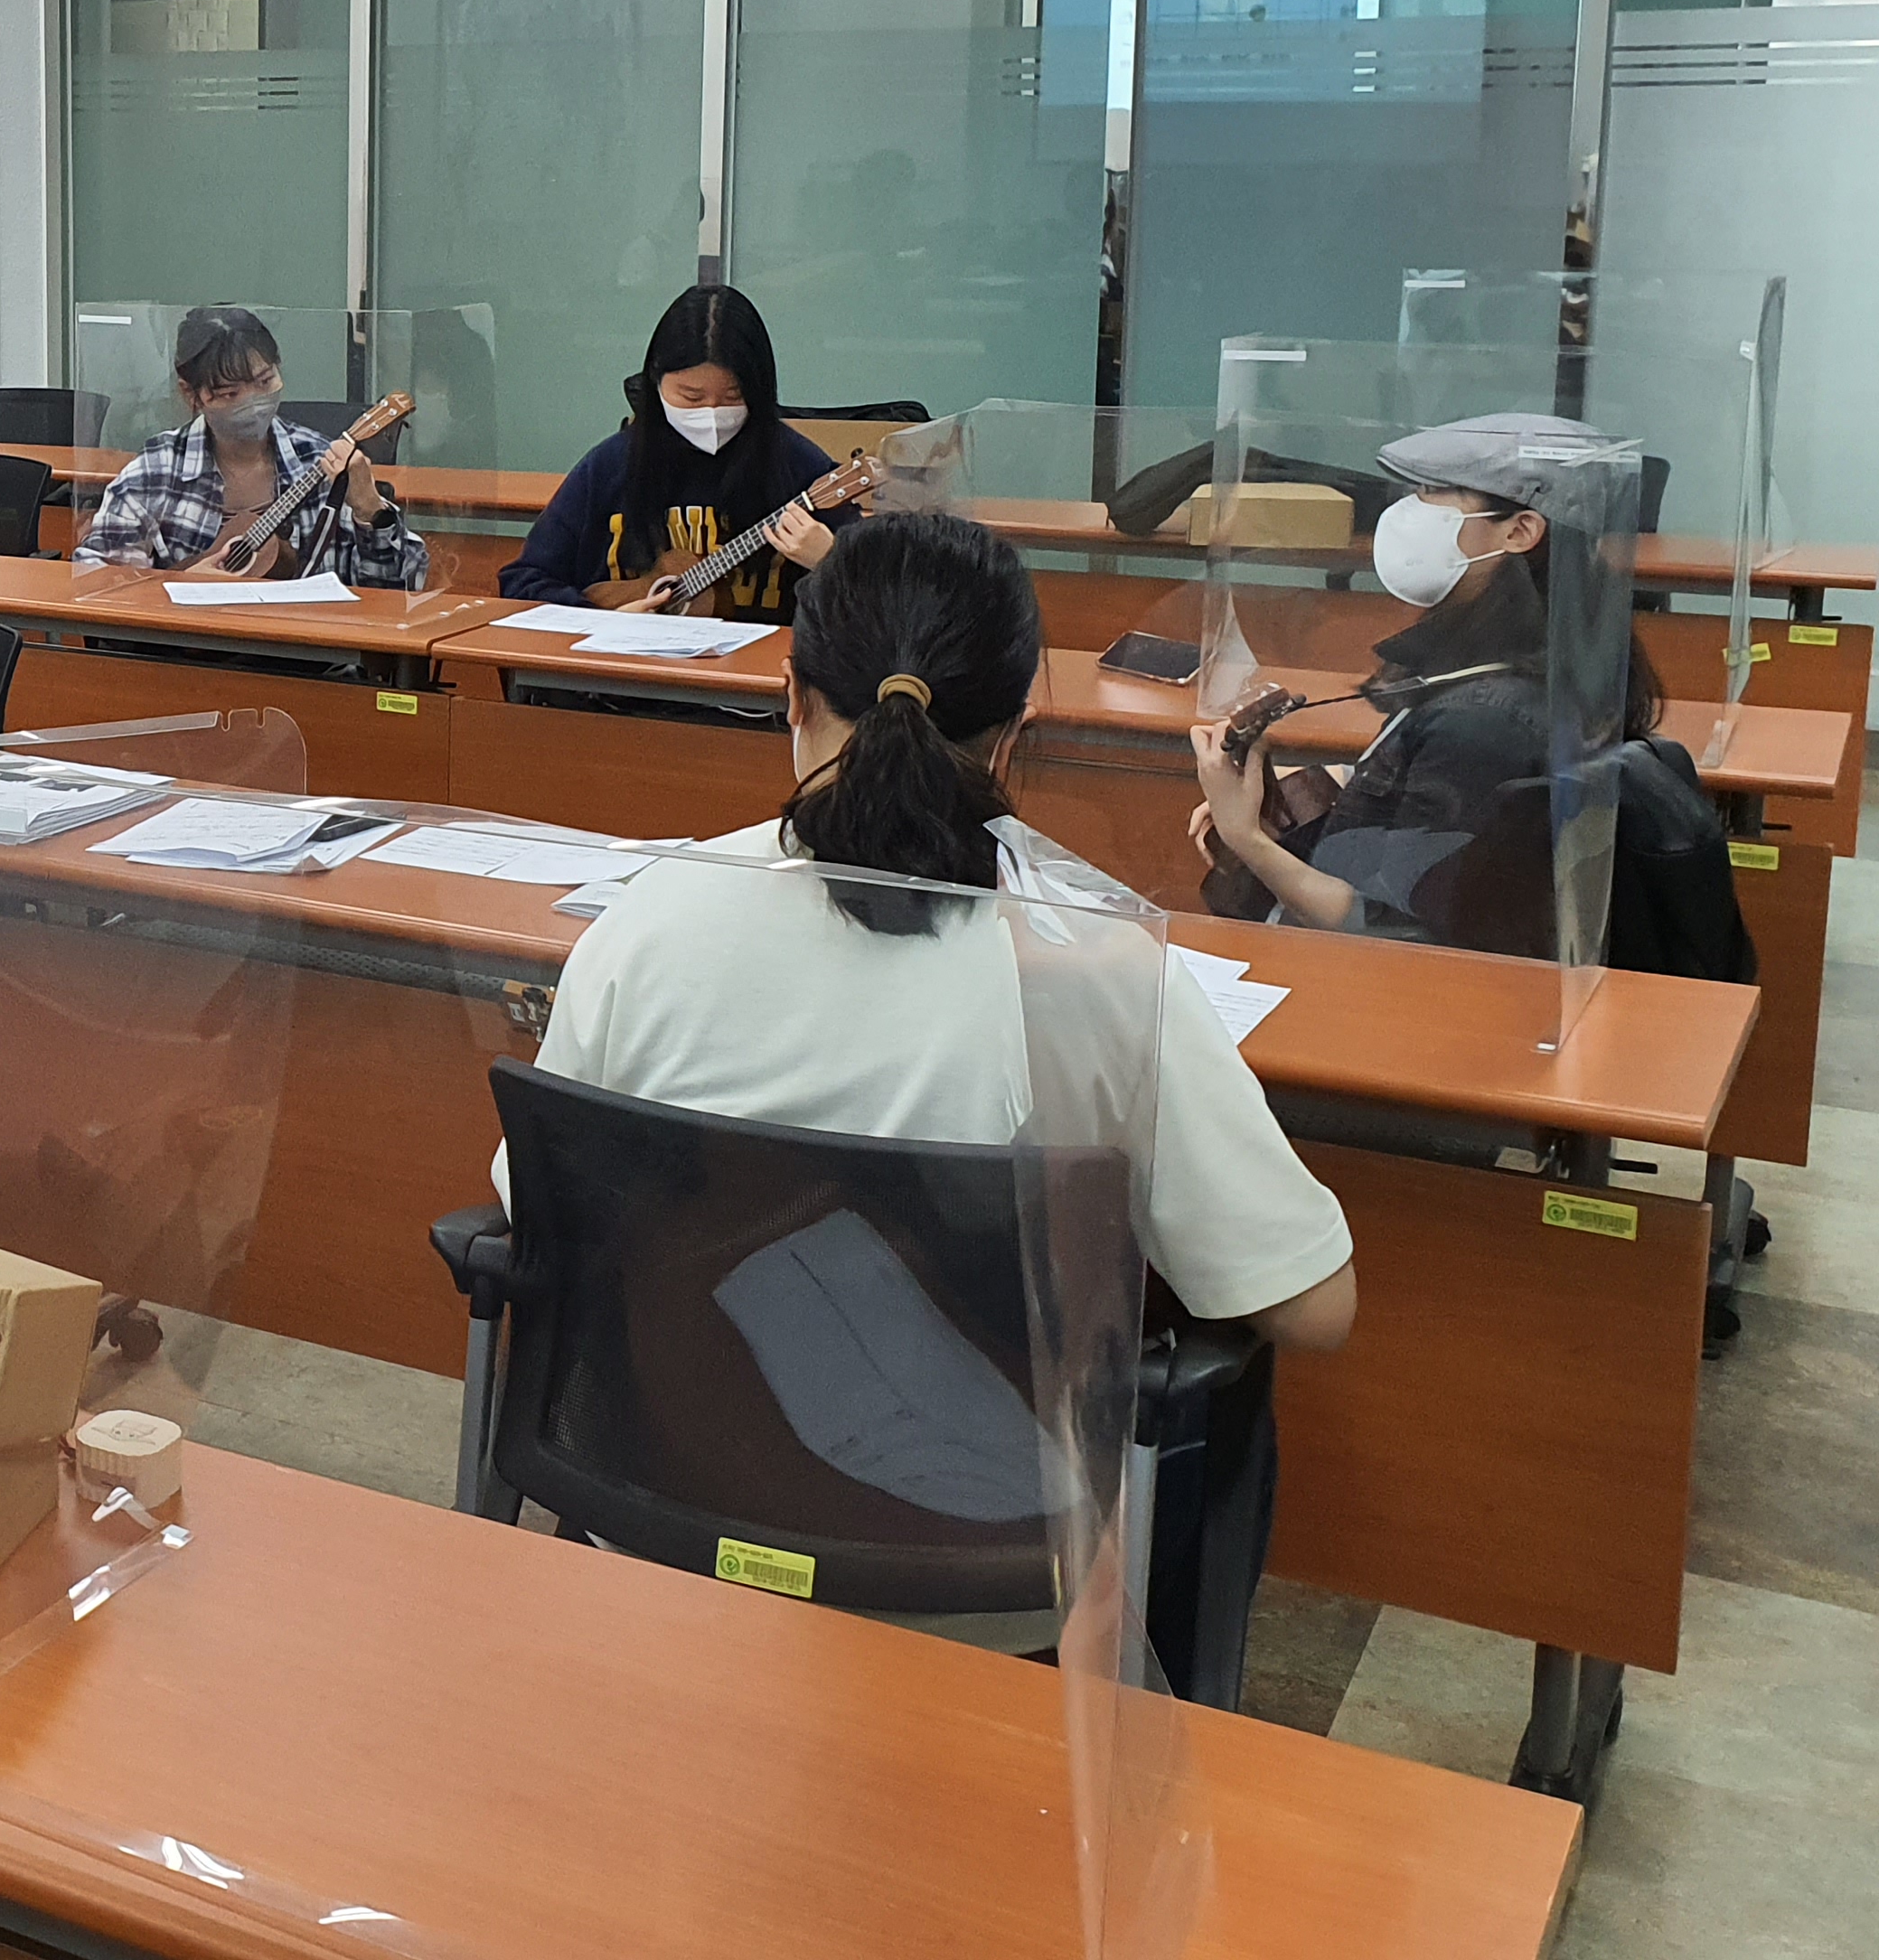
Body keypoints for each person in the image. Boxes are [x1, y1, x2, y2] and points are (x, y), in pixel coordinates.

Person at [511, 509, 1358, 1363]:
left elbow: (531, 1198)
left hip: (678, 1431)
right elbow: (1312, 1310)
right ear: (1014, 732)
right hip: (986, 1447)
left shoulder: (656, 913)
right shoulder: (1101, 965)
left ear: (792, 694)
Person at [1188, 413, 1735, 971]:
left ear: (1519, 531)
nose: (1410, 511)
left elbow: (1393, 932)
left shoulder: (1483, 722)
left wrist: (1245, 836)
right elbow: (1448, 811)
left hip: (1406, 988)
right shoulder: (1537, 653)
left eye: (1434, 492)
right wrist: (1317, 786)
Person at [500, 285, 854, 618]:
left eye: (733, 396)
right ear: (655, 382)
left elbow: (882, 605)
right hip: (622, 661)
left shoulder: (800, 468)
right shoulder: (610, 465)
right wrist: (600, 620)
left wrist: (831, 560)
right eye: (691, 397)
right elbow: (523, 580)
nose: (712, 412)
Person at [76, 305, 427, 587]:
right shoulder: (158, 468)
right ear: (190, 393)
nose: (254, 402)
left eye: (265, 381)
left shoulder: (320, 461)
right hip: (188, 652)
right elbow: (95, 578)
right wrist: (181, 585)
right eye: (230, 393)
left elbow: (399, 590)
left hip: (302, 648)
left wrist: (370, 512)